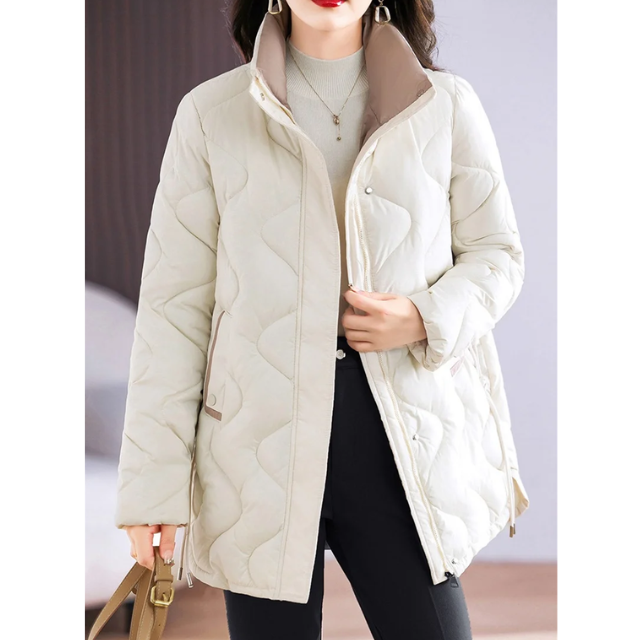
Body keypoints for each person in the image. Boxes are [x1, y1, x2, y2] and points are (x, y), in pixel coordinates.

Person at [115, 0, 531, 637]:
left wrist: (422, 316)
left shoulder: (445, 105)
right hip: (258, 447)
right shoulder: (209, 115)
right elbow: (172, 316)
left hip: (398, 433)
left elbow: (498, 255)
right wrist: (153, 490)